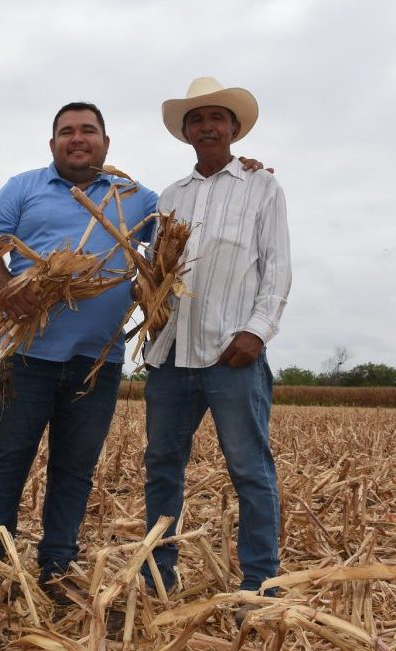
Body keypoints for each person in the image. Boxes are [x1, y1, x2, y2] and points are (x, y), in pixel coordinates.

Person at [0, 101, 266, 605]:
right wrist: (7, 287)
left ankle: (57, 565)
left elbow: (183, 230)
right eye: (66, 132)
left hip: (95, 364)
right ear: (52, 142)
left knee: (74, 468)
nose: (77, 139)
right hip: (26, 359)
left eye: (87, 131)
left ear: (105, 141)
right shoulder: (23, 187)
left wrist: (243, 172)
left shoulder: (136, 198)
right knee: (6, 462)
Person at [140, 78, 292, 607]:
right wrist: (152, 312)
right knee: (161, 464)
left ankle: (259, 582)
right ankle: (157, 575)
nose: (206, 127)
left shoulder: (262, 187)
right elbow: (158, 271)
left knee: (249, 469)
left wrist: (257, 331)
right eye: (196, 120)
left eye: (216, 118)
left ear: (233, 128)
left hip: (233, 353)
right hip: (171, 355)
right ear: (186, 133)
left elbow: (276, 266)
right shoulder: (170, 196)